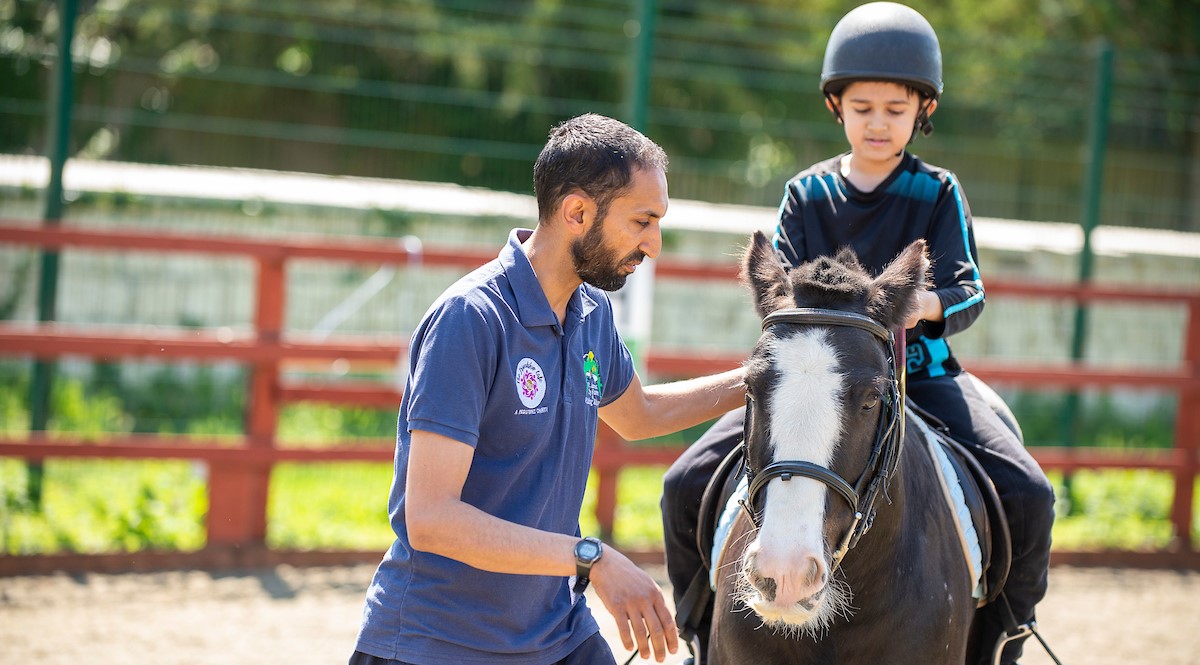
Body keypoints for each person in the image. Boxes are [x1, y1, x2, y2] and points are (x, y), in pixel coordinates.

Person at [660, 4, 1055, 664]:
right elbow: (779, 290)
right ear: (835, 107)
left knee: (1029, 493)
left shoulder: (938, 191)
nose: (878, 122)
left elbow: (969, 288)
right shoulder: (806, 192)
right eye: (863, 106)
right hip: (811, 382)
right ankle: (699, 627)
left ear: (922, 112)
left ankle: (1003, 634)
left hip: (920, 373)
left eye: (895, 109)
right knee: (682, 484)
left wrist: (917, 303)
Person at [350, 113, 747, 665]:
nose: (653, 245)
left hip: (556, 635)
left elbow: (639, 414)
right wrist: (592, 558)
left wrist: (760, 379)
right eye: (642, 221)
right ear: (578, 213)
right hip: (436, 644)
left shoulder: (592, 312)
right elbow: (432, 517)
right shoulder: (471, 319)